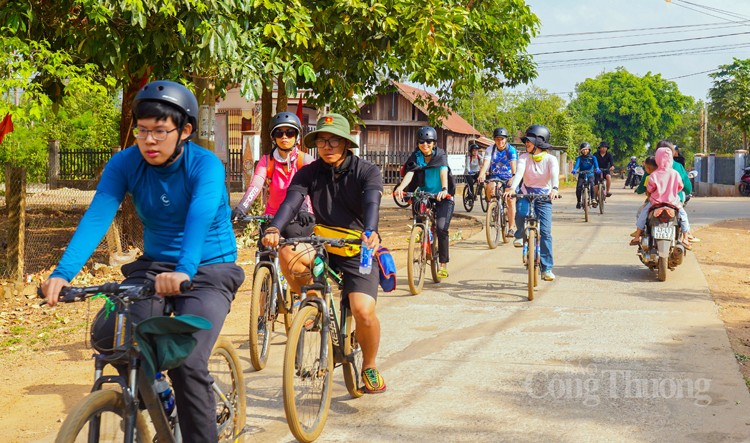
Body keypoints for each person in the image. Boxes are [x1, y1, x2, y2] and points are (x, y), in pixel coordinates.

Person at [40, 80, 245, 441]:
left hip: (211, 268)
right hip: (155, 265)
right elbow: (99, 214)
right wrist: (62, 273)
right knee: (110, 337)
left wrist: (184, 269)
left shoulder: (206, 166)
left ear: (185, 131)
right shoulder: (125, 163)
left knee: (188, 362)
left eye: (160, 131)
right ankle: (159, 392)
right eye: (142, 130)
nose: (149, 141)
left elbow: (199, 217)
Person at [261, 113, 387, 393]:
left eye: (333, 141)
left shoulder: (366, 171)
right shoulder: (310, 171)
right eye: (321, 141)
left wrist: (371, 230)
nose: (327, 146)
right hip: (323, 246)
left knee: (363, 311)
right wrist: (274, 228)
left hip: (358, 248)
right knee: (287, 252)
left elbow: (372, 203)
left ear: (345, 143)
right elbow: (291, 202)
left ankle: (369, 364)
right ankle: (313, 301)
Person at [231, 112, 316, 293]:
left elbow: (311, 190)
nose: (284, 137)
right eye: (279, 133)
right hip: (271, 216)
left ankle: (301, 293)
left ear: (297, 137)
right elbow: (255, 185)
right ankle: (263, 308)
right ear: (273, 137)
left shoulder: (304, 160)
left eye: (290, 133)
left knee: (292, 256)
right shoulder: (267, 161)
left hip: (299, 217)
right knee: (264, 256)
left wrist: (305, 210)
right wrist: (241, 208)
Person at [394, 126, 454, 278]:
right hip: (424, 194)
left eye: (428, 141)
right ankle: (420, 233)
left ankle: (443, 264)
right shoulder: (417, 156)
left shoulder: (440, 155)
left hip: (442, 196)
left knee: (441, 228)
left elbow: (443, 171)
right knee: (418, 208)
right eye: (421, 141)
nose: (425, 145)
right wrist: (401, 188)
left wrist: (445, 189)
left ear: (434, 143)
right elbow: (410, 172)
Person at [504, 124, 559, 281]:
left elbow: (554, 174)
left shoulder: (551, 159)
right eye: (526, 141)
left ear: (539, 142)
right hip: (526, 194)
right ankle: (520, 234)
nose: (526, 143)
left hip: (544, 198)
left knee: (546, 233)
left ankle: (547, 268)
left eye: (529, 141)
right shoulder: (523, 158)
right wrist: (512, 189)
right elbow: (519, 173)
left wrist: (555, 189)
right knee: (521, 214)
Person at [629, 146, 691, 248]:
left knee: (643, 214)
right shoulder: (675, 173)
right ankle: (686, 237)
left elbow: (649, 189)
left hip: (656, 203)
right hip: (673, 203)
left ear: (657, 159)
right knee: (683, 216)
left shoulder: (654, 174)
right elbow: (680, 186)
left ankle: (637, 235)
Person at [477, 127, 517, 234]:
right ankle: (492, 206)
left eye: (502, 139)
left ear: (506, 139)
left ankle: (511, 227)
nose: (500, 141)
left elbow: (514, 167)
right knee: (490, 187)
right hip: (496, 176)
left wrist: (513, 178)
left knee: (510, 199)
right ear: (494, 140)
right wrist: (481, 175)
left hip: (509, 177)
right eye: (497, 139)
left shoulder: (511, 150)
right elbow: (486, 163)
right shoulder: (490, 149)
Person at [570, 142, 601, 209]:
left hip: (590, 173)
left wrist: (597, 169)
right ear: (581, 151)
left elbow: (596, 165)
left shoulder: (593, 158)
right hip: (582, 174)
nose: (585, 151)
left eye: (586, 149)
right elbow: (577, 165)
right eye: (583, 150)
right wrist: (574, 169)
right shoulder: (579, 158)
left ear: (589, 149)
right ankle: (578, 201)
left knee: (592, 184)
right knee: (578, 187)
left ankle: (593, 199)